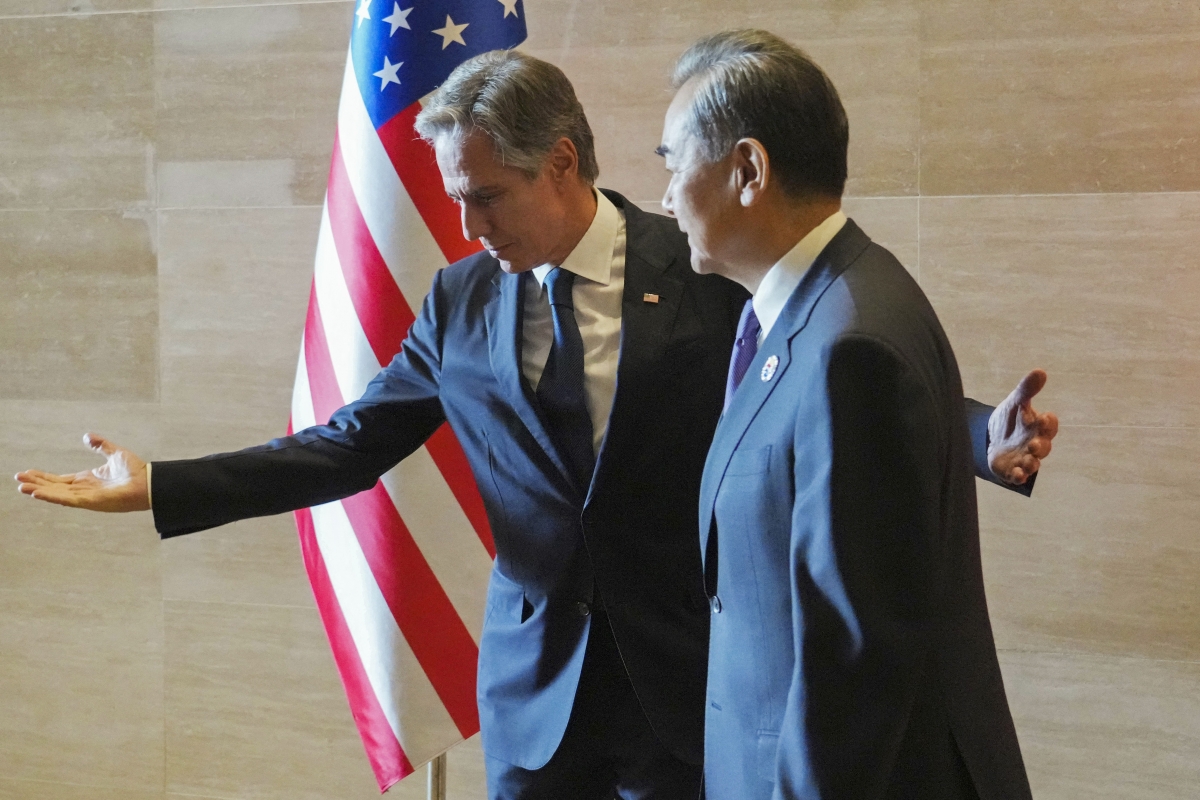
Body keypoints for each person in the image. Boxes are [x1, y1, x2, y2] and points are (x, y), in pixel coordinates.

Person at [15, 49, 1054, 800]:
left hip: (679, 685)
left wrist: (977, 438)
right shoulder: (460, 300)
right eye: (455, 201)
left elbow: (821, 379)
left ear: (561, 163)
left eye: (488, 196)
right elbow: (349, 444)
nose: (469, 228)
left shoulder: (700, 262)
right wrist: (165, 484)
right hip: (534, 696)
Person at [658, 30, 1041, 799]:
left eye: (672, 163)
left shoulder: (850, 342)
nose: (665, 195)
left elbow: (853, 662)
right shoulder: (818, 300)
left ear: (748, 170)